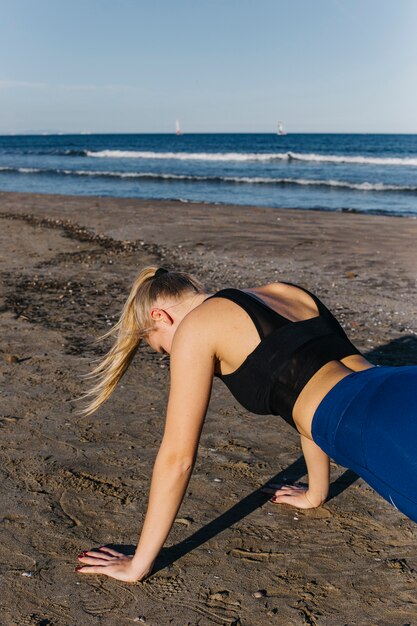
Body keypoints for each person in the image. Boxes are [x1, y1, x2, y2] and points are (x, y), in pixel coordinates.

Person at [76, 266, 417, 582]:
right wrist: (316, 493)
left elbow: (177, 457)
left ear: (160, 317)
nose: (172, 355)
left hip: (372, 424)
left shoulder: (195, 329)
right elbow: (310, 387)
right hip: (399, 383)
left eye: (163, 349)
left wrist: (139, 564)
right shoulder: (283, 291)